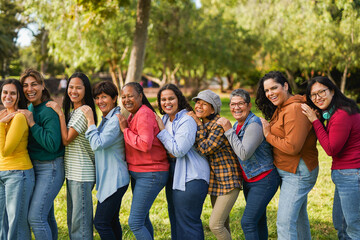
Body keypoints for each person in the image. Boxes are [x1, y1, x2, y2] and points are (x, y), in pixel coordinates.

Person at [255, 71, 319, 240]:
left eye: (274, 88)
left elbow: (292, 147)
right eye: (267, 90)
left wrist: (268, 135)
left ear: (285, 85)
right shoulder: (283, 107)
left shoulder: (295, 109)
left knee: (284, 223)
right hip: (290, 170)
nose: (270, 93)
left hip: (297, 171)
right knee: (298, 220)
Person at [301, 76, 360, 240]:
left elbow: (331, 149)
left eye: (322, 92)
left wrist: (315, 121)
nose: (318, 98)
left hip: (351, 174)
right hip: (346, 174)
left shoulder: (341, 114)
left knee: (354, 228)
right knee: (341, 225)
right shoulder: (337, 111)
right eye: (313, 95)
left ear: (332, 90)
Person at [217, 89, 280, 240]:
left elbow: (244, 154)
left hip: (264, 180)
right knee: (258, 221)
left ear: (249, 105)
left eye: (240, 103)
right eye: (233, 104)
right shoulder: (238, 125)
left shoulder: (254, 125)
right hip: (250, 181)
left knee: (248, 222)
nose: (236, 107)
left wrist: (228, 130)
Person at [155, 84, 210, 240]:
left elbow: (178, 150)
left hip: (191, 176)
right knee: (175, 220)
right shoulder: (166, 119)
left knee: (188, 223)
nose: (167, 102)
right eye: (163, 99)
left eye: (171, 98)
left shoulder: (187, 120)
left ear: (178, 99)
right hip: (173, 175)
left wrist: (162, 131)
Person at [46, 72, 97, 240]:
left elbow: (67, 139)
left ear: (86, 90)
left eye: (78, 88)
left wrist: (59, 113)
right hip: (74, 173)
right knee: (73, 221)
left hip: (81, 174)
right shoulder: (75, 112)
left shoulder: (83, 111)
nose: (73, 91)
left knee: (80, 224)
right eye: (71, 87)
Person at [116, 82, 169, 240]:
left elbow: (145, 144)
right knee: (143, 219)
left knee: (135, 222)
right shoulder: (134, 114)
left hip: (151, 173)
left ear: (140, 96)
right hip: (140, 172)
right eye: (123, 97)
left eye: (130, 96)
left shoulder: (144, 113)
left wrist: (125, 130)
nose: (127, 100)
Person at [187, 89, 242, 240]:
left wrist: (197, 123)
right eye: (198, 102)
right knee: (223, 225)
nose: (198, 106)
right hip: (216, 182)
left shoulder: (218, 125)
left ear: (213, 109)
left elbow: (204, 149)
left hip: (228, 180)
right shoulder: (205, 124)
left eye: (204, 104)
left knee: (215, 225)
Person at [19, 69, 65, 240]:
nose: (29, 89)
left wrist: (32, 124)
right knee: (46, 216)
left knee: (36, 218)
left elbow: (53, 145)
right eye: (25, 85)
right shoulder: (31, 107)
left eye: (34, 84)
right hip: (35, 167)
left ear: (43, 85)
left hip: (50, 168)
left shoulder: (48, 110)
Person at [82, 81, 130, 239]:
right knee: (111, 221)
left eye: (104, 97)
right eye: (97, 97)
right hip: (110, 178)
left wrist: (90, 120)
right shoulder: (107, 119)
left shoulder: (115, 120)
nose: (100, 101)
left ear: (115, 98)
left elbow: (98, 144)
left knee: (101, 222)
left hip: (115, 180)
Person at [0, 79, 35, 240]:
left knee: (16, 223)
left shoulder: (19, 118)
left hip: (18, 173)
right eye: (5, 92)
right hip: (2, 172)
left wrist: (0, 125)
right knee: (3, 221)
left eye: (13, 93)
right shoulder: (3, 115)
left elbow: (6, 150)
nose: (8, 96)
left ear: (19, 96)